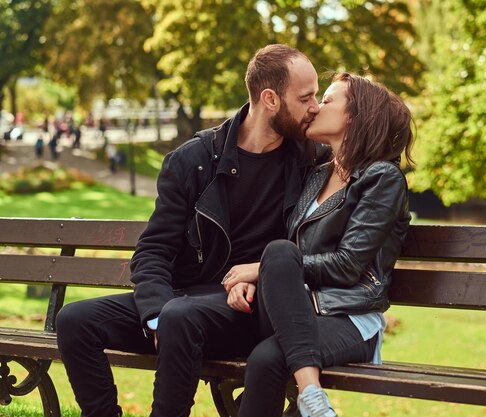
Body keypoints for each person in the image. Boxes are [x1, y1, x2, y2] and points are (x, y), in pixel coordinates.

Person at [55, 44, 328, 417]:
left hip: (248, 308)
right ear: (270, 99)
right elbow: (153, 251)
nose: (316, 106)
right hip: (182, 302)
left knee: (179, 316)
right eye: (306, 97)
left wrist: (258, 274)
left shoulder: (309, 157)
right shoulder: (195, 160)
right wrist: (155, 315)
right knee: (74, 320)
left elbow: (367, 151)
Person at [223, 73, 414, 417]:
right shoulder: (316, 175)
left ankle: (310, 398)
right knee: (278, 254)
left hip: (350, 317)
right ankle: (312, 400)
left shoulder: (381, 178)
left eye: (326, 100)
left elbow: (348, 265)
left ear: (354, 116)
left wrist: (261, 269)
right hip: (298, 310)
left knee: (267, 357)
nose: (314, 108)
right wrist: (257, 277)